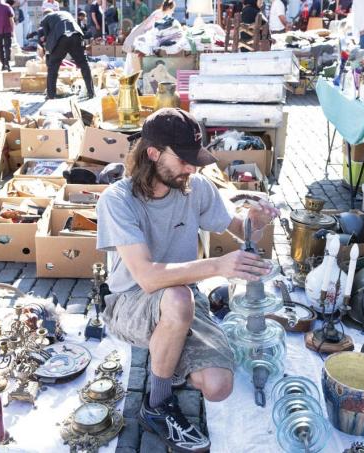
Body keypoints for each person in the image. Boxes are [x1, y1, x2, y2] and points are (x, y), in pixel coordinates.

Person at [96, 108, 278, 453]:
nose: (192, 168)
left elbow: (240, 229)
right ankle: (157, 403)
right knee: (178, 300)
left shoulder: (195, 187)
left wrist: (256, 219)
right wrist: (218, 266)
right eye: (183, 160)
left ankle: (166, 347)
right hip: (130, 301)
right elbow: (148, 278)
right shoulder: (117, 200)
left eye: (195, 159)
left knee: (217, 386)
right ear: (153, 153)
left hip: (182, 295)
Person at [37, 9, 95, 99]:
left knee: (53, 67)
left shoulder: (46, 18)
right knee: (84, 64)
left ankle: (51, 94)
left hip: (61, 39)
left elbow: (48, 37)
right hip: (76, 35)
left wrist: (49, 54)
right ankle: (91, 92)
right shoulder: (65, 13)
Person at [122, 0, 175, 73]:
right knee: (133, 62)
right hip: (140, 36)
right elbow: (156, 29)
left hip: (139, 35)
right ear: (170, 8)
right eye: (172, 10)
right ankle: (132, 77)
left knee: (132, 62)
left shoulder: (159, 12)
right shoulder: (161, 14)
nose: (172, 12)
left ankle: (131, 76)